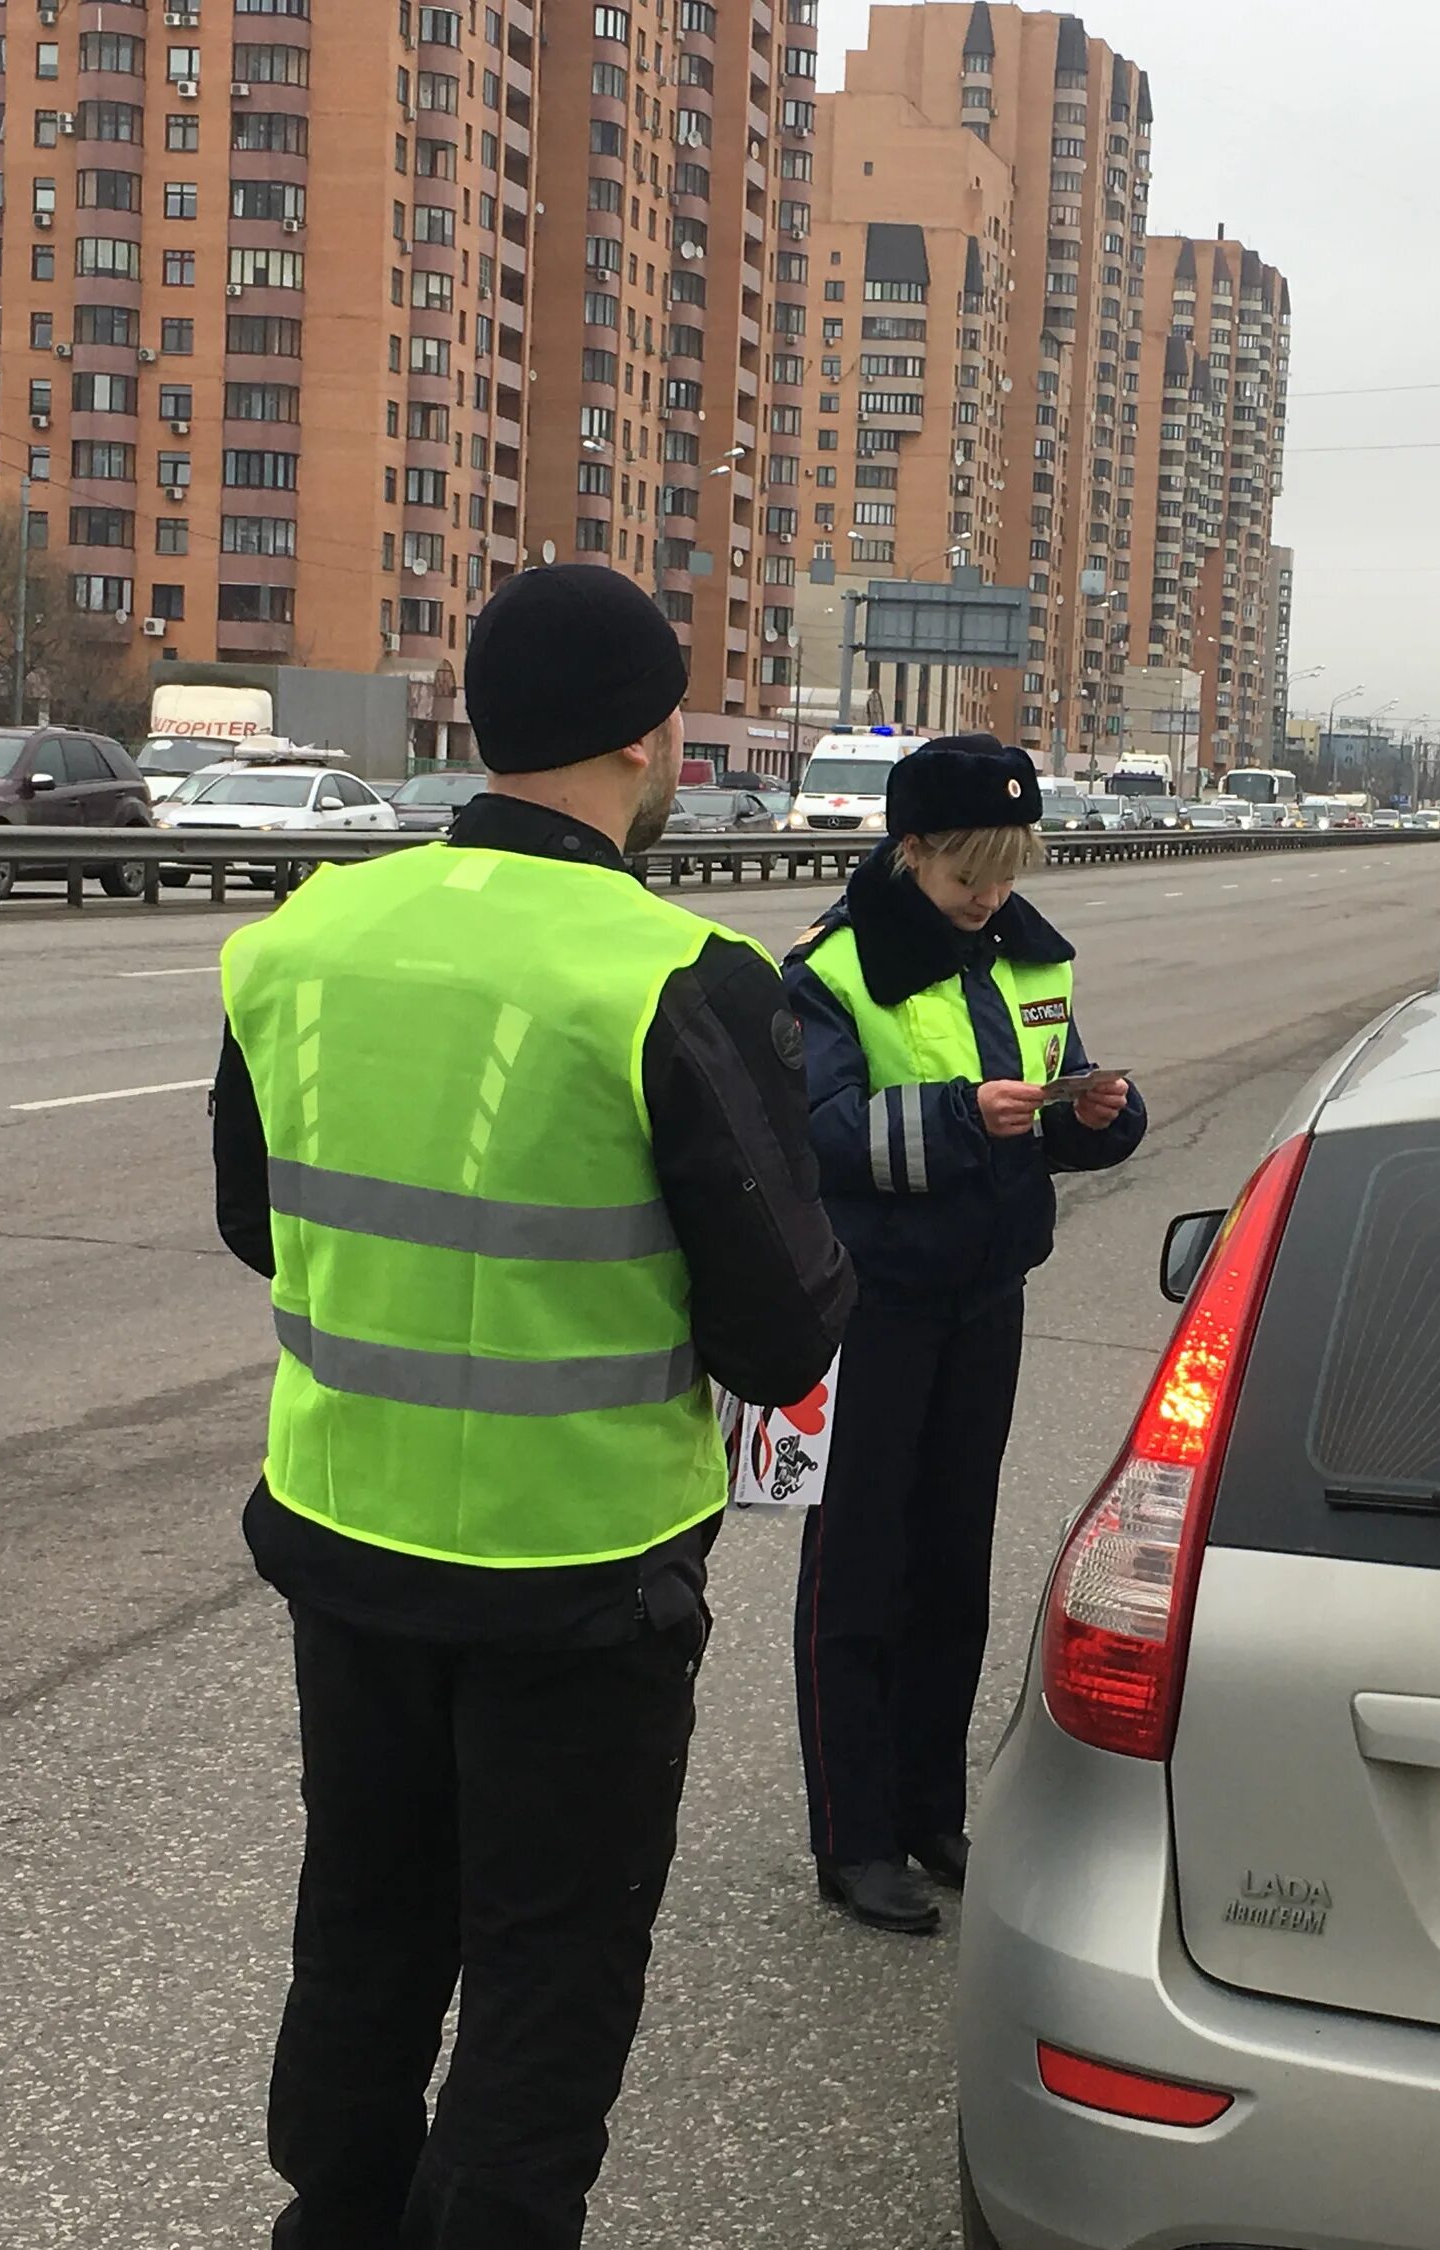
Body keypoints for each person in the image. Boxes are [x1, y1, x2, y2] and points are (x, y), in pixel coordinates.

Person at [210, 562, 855, 2249]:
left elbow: (253, 1218)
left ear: (481, 724)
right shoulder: (676, 973)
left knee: (364, 1913)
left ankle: (333, 2219)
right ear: (652, 739)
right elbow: (783, 1329)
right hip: (581, 1572)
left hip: (346, 1532)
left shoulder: (302, 939)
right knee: (548, 1962)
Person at [783, 734, 1147, 1934]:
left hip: (986, 1298)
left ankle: (932, 1808)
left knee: (954, 1563)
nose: (990, 896)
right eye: (967, 876)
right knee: (859, 1572)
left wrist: (1100, 1112)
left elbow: (1052, 1103)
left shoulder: (1026, 957)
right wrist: (954, 1117)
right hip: (875, 1305)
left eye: (1007, 871)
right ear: (912, 851)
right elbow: (822, 1134)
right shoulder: (836, 972)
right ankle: (856, 1835)